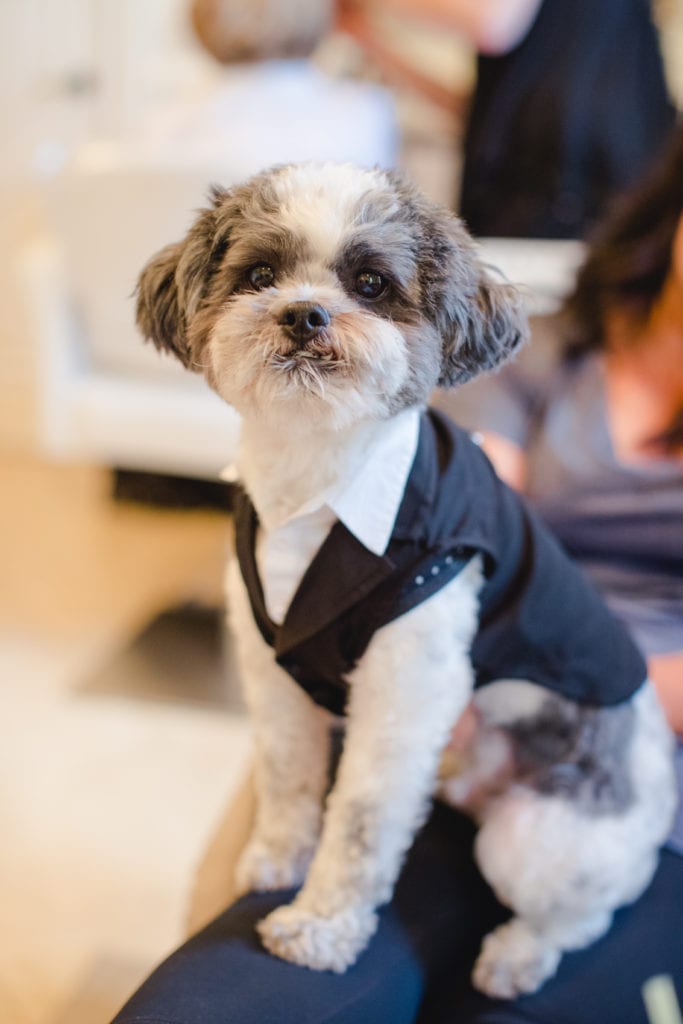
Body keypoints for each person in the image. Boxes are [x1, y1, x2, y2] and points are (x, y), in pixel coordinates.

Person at [110, 128, 683, 1024]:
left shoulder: (430, 542)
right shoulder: (561, 351)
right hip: (435, 720)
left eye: (366, 286)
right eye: (262, 277)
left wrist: (335, 905)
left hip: (580, 759)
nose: (306, 310)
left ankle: (549, 928)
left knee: (512, 937)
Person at [338, 0, 677, 238]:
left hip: (566, 190)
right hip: (584, 185)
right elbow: (475, 114)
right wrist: (366, 35)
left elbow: (492, 22)